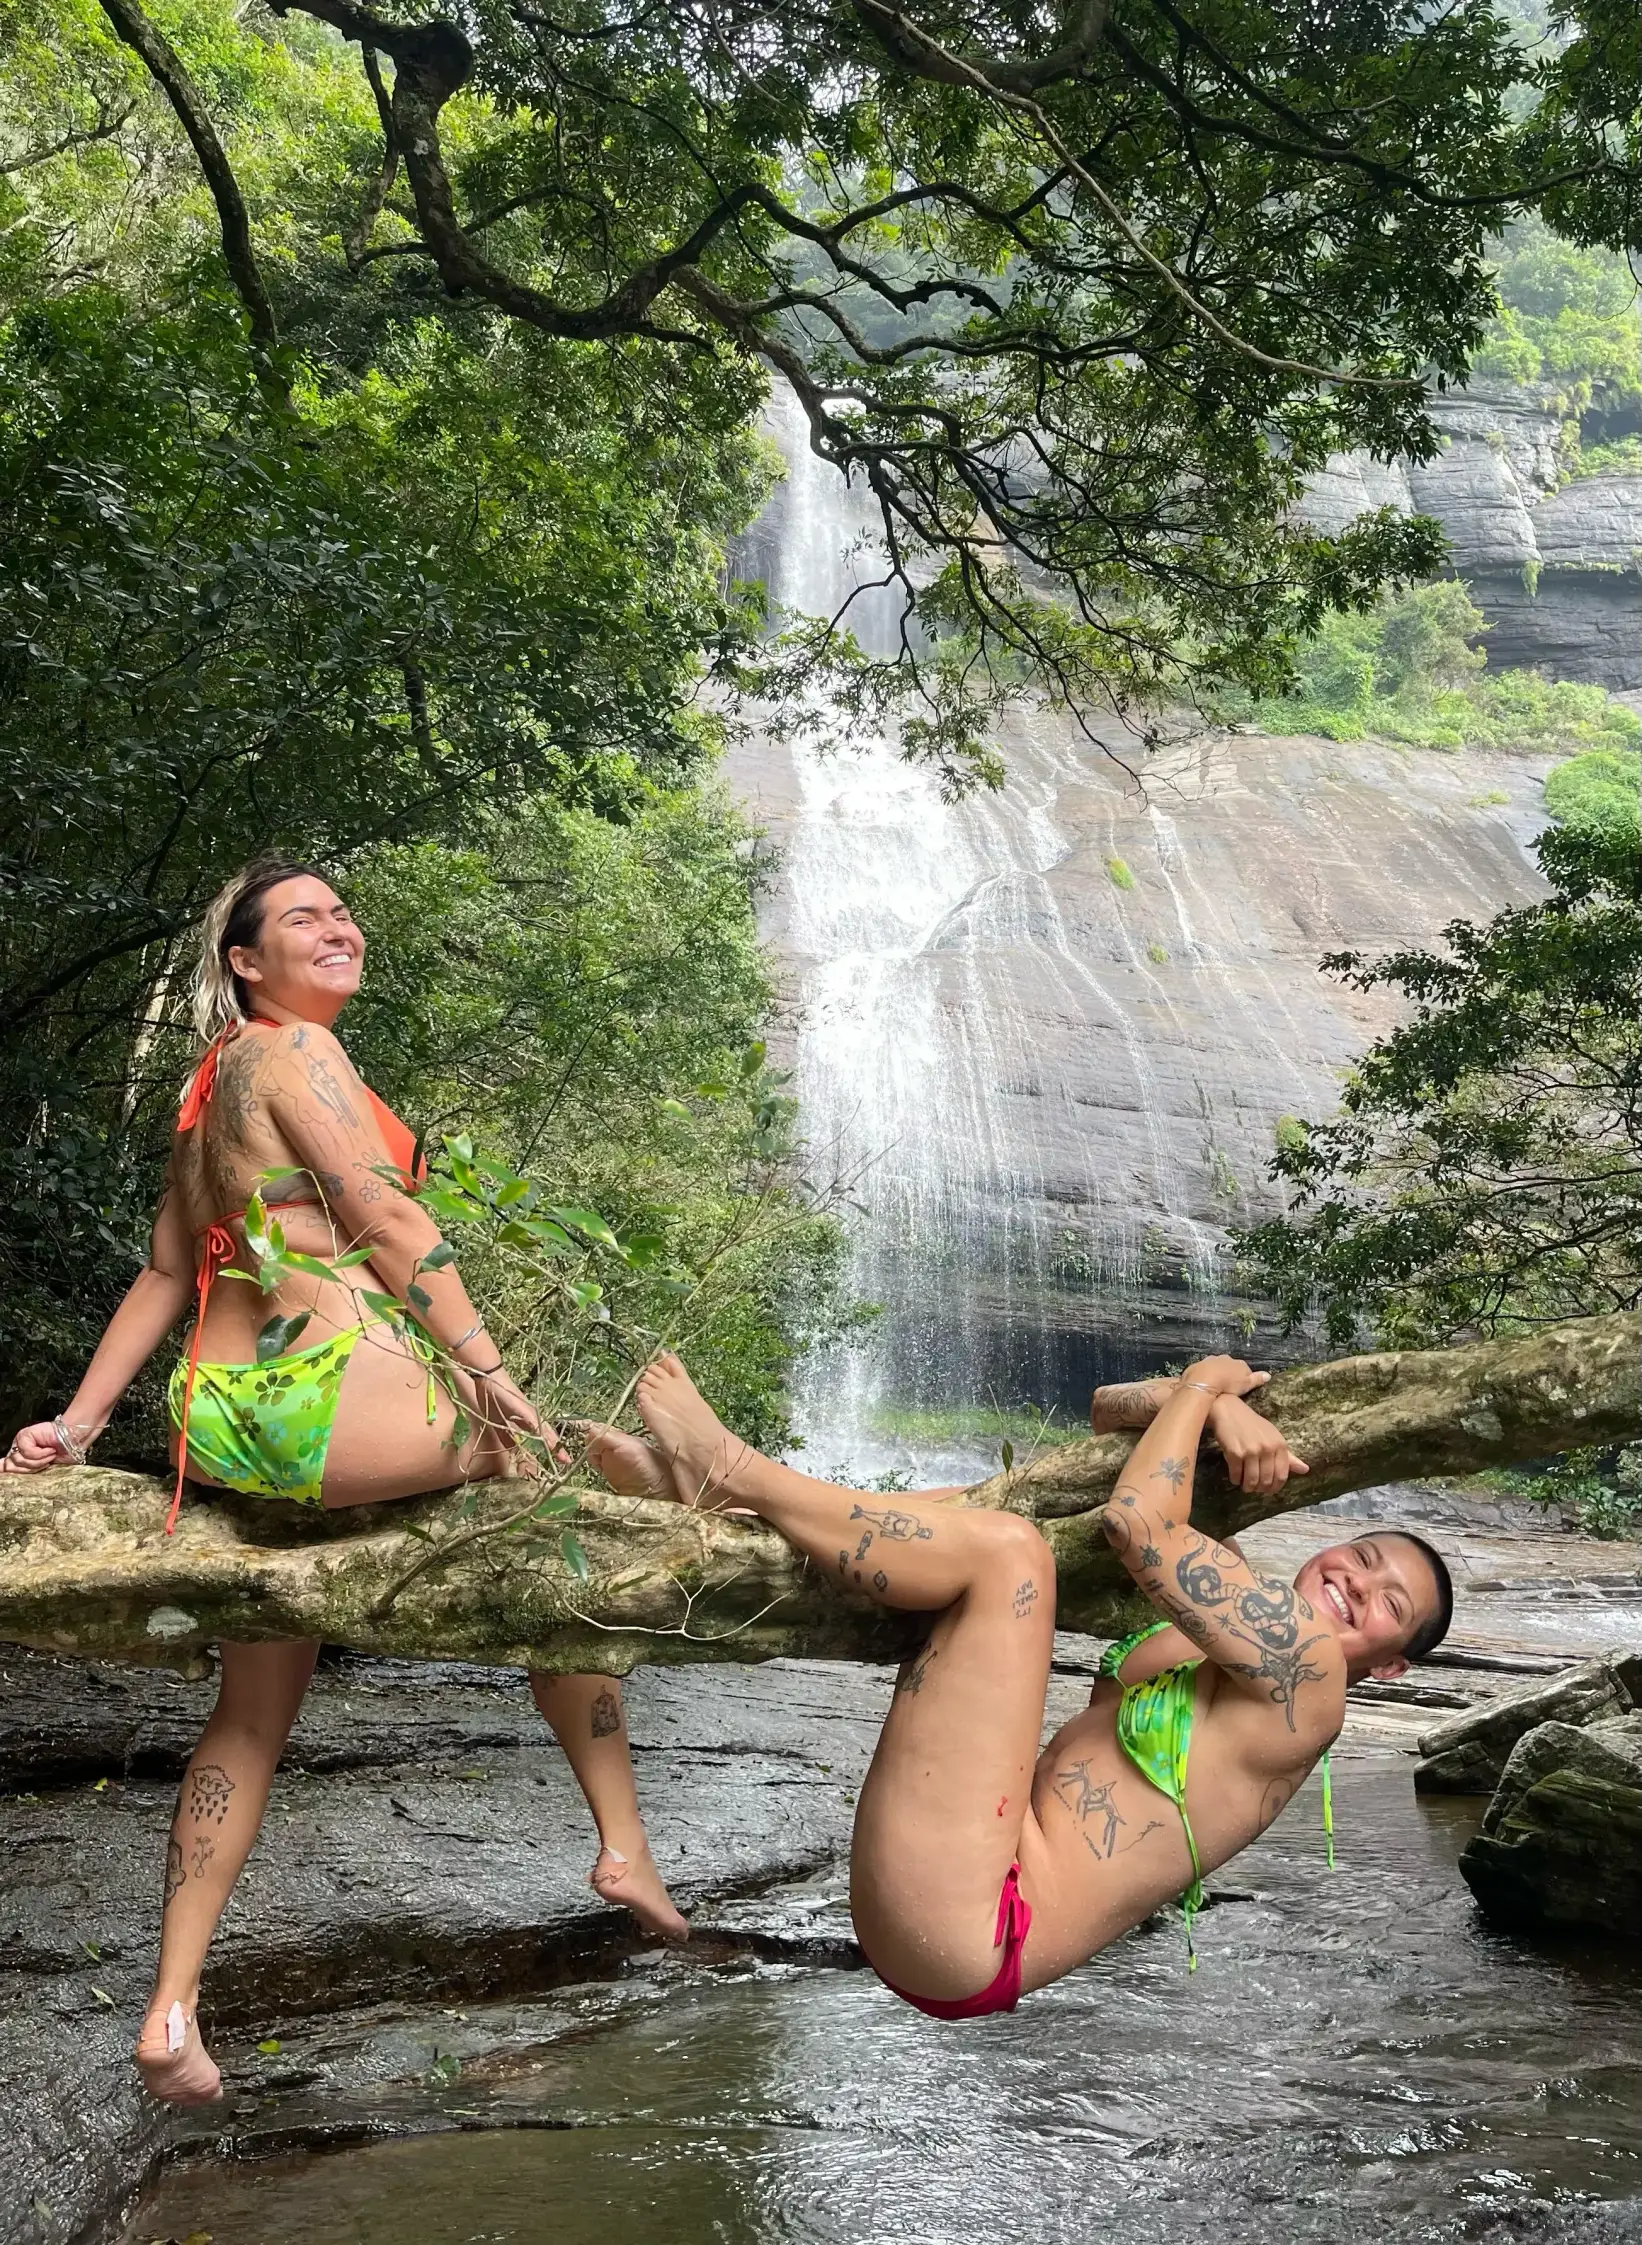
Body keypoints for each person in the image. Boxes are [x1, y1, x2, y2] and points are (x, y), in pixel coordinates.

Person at [1, 858, 686, 2106]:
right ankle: (623, 1841)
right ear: (245, 962)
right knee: (566, 1486)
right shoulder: (295, 1053)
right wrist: (490, 1380)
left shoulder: (212, 1089)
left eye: (343, 911)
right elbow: (386, 1219)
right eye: (303, 916)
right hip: (330, 1406)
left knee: (252, 1714)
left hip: (227, 1421)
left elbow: (167, 1272)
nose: (339, 926)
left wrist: (78, 1422)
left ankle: (169, 2012)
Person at [586, 1349, 1451, 2019]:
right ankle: (729, 1515)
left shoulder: (1309, 1674)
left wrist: (1203, 1385)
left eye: (1389, 1603)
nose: (1358, 1585)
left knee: (1011, 1554)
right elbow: (1109, 1411)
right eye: (1365, 1556)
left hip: (977, 1919)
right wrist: (1214, 1403)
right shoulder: (1228, 1605)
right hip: (959, 1894)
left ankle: (732, 1469)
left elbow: (1137, 1520)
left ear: (1390, 1663)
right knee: (994, 1512)